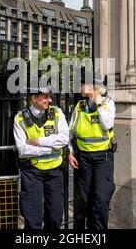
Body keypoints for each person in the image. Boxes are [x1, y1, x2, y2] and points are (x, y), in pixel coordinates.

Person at [13, 78, 69, 229]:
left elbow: (64, 139)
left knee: (55, 217)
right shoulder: (20, 118)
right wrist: (51, 147)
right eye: (46, 97)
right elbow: (23, 149)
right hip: (32, 173)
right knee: (32, 218)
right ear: (34, 98)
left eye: (50, 96)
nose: (49, 100)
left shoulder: (57, 113)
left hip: (55, 172)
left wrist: (38, 141)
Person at [68, 72, 116, 229]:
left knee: (100, 199)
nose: (80, 87)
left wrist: (99, 104)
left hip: (103, 158)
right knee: (83, 199)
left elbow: (107, 124)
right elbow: (70, 131)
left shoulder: (108, 103)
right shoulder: (80, 106)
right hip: (84, 158)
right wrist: (70, 152)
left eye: (82, 83)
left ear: (92, 86)